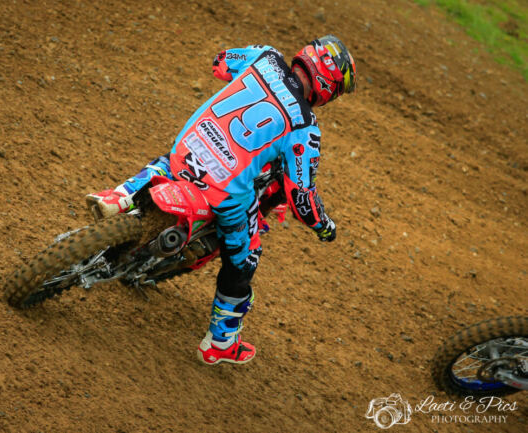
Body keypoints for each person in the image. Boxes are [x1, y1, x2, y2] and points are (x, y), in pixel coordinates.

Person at [86, 35, 356, 365]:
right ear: (329, 86)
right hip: (225, 193)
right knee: (245, 258)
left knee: (167, 164)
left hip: (189, 148)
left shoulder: (266, 57)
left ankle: (120, 196)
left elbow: (221, 62)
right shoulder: (304, 126)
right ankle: (220, 341)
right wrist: (324, 226)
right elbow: (302, 200)